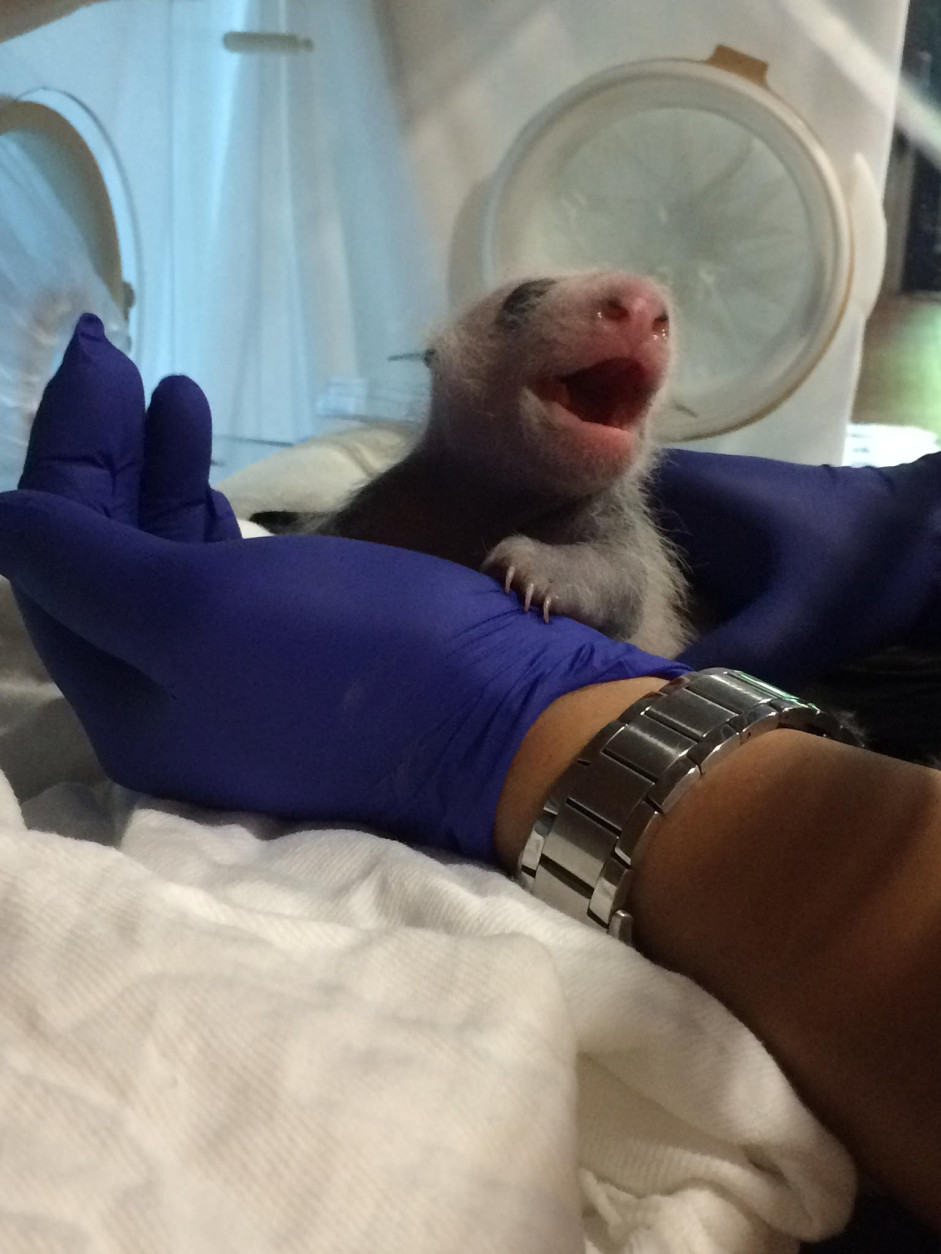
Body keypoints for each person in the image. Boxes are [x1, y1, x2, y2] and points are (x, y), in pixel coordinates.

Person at [1, 315, 941, 1235]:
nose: (644, 318)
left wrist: (523, 722)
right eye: (525, 308)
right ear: (448, 357)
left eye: (661, 321)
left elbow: (618, 589)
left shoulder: (614, 525)